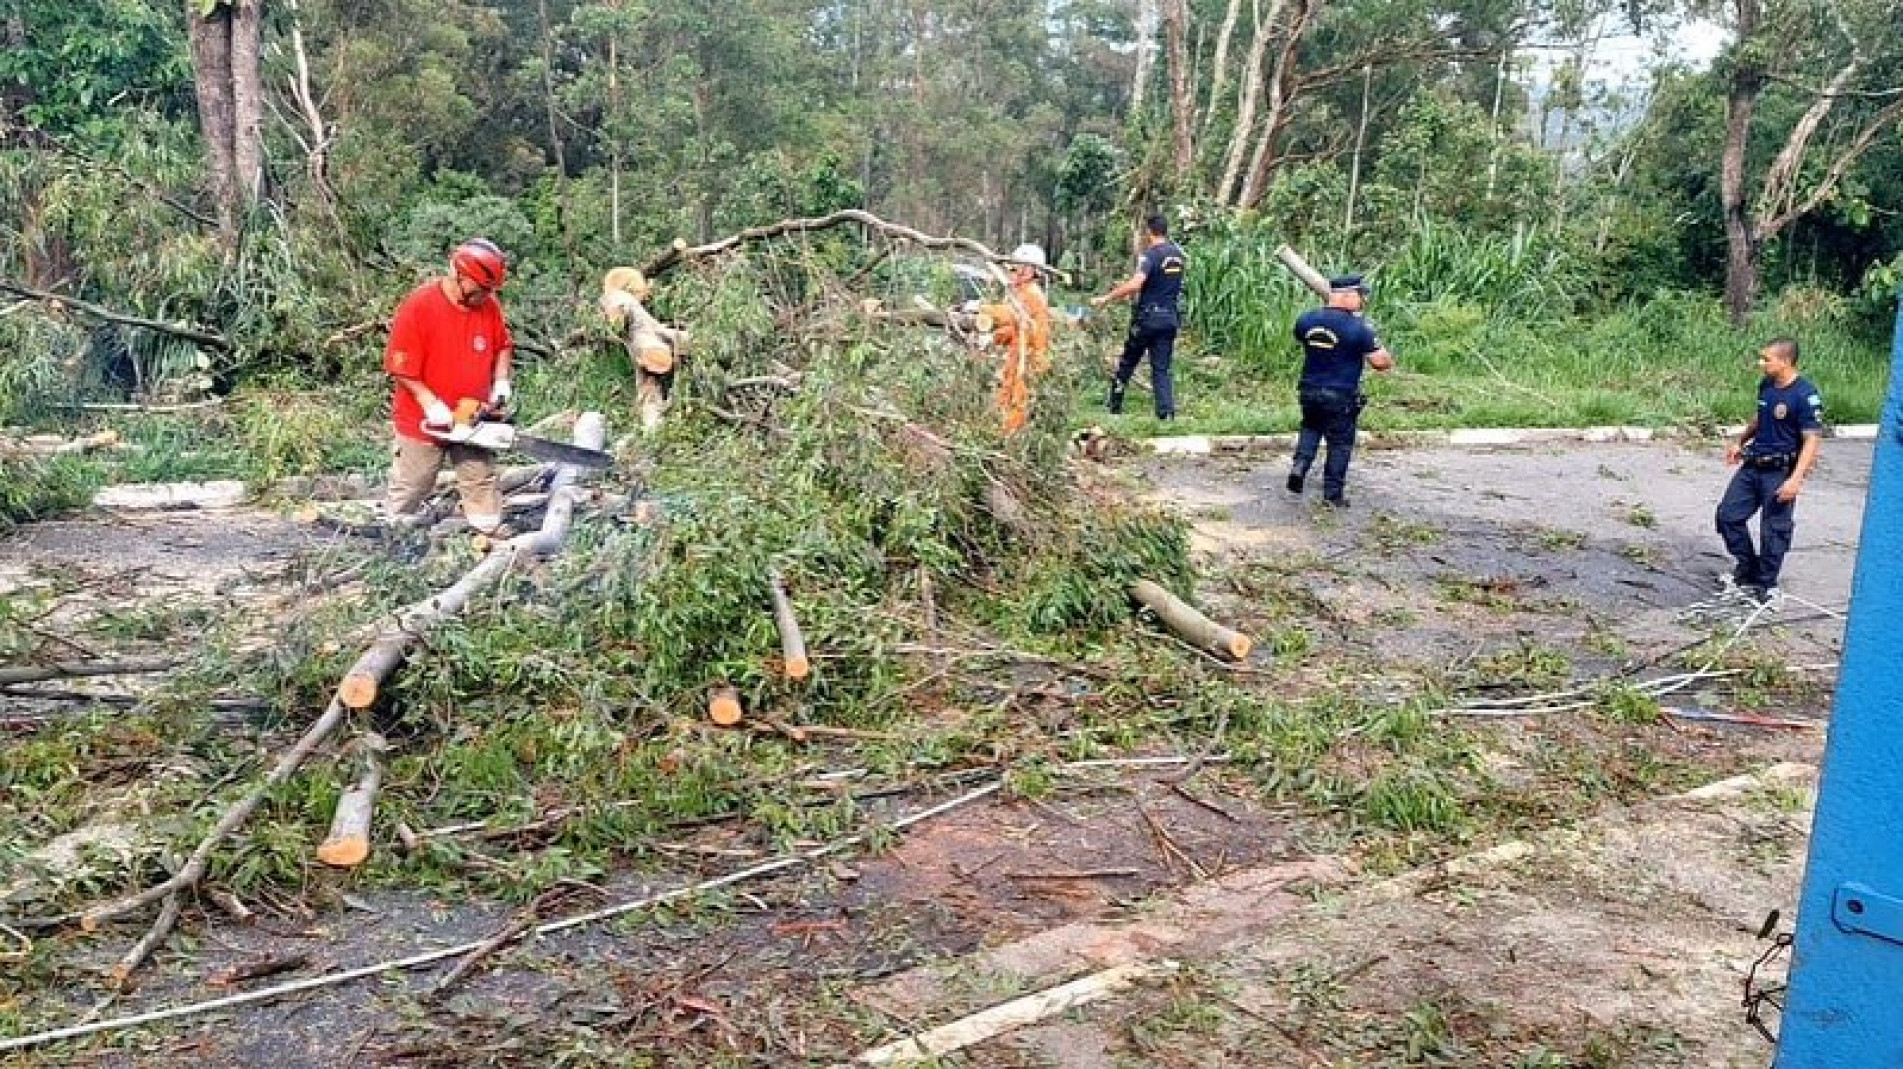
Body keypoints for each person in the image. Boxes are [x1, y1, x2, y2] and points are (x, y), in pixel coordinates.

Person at [383, 237, 514, 536]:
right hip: (424, 419)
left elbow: (503, 345)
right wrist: (430, 402)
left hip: (473, 416)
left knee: (480, 479)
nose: (485, 295)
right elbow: (399, 365)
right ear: (460, 275)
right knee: (414, 482)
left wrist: (501, 381)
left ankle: (487, 536)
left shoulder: (488, 306)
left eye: (489, 290)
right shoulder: (420, 306)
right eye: (480, 288)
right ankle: (394, 535)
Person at [1715, 337, 1824, 604]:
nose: (1761, 363)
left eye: (1767, 359)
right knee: (1728, 516)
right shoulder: (1767, 385)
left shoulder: (1804, 395)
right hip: (1754, 465)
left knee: (1774, 531)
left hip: (1780, 471)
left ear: (1785, 361)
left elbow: (1811, 439)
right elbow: (1760, 416)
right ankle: (1748, 569)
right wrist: (1740, 441)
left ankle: (1766, 585)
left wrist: (1796, 479)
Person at [1285, 274, 1394, 507]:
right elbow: (1381, 363)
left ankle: (1300, 465)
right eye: (1359, 296)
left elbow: (1303, 339)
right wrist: (1375, 342)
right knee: (1340, 443)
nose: (1362, 301)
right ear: (1347, 295)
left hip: (1309, 388)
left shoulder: (1306, 320)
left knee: (1311, 427)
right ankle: (1332, 495)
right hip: (1340, 393)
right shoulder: (1359, 328)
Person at [1091, 213, 1185, 420]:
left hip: (1147, 319)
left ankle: (1114, 406)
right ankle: (1166, 413)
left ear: (1149, 232)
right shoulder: (1178, 256)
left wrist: (1107, 298)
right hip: (1169, 318)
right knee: (1161, 368)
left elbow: (1136, 284)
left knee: (1127, 362)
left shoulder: (1150, 256)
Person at [600, 267, 687, 432]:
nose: (644, 296)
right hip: (649, 349)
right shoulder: (619, 297)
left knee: (648, 391)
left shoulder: (632, 305)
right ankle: (654, 430)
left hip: (646, 349)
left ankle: (653, 431)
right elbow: (618, 314)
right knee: (648, 390)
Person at [979, 244, 1053, 435]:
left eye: (1022, 267)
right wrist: (993, 337)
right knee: (1005, 397)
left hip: (1028, 359)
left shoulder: (1032, 294)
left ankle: (1010, 442)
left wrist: (982, 309)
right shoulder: (1020, 292)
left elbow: (1008, 315)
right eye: (1015, 266)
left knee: (1018, 403)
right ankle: (1001, 435)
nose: (1016, 271)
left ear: (1034, 270)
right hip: (1018, 355)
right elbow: (1014, 328)